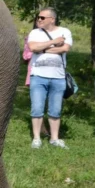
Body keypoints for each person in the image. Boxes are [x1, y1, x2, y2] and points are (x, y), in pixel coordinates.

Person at [27, 8, 73, 149]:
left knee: (55, 109)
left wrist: (44, 49)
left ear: (52, 19)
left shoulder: (65, 31)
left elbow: (65, 48)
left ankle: (54, 138)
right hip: (38, 76)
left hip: (58, 77)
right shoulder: (35, 32)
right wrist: (53, 42)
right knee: (37, 108)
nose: (39, 20)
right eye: (38, 17)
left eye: (42, 17)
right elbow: (33, 47)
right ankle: (36, 138)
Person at [23, 21, 51, 138]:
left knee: (51, 101)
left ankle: (51, 128)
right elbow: (26, 55)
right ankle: (41, 129)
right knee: (38, 102)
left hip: (52, 71)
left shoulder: (56, 34)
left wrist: (42, 49)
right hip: (35, 70)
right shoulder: (31, 37)